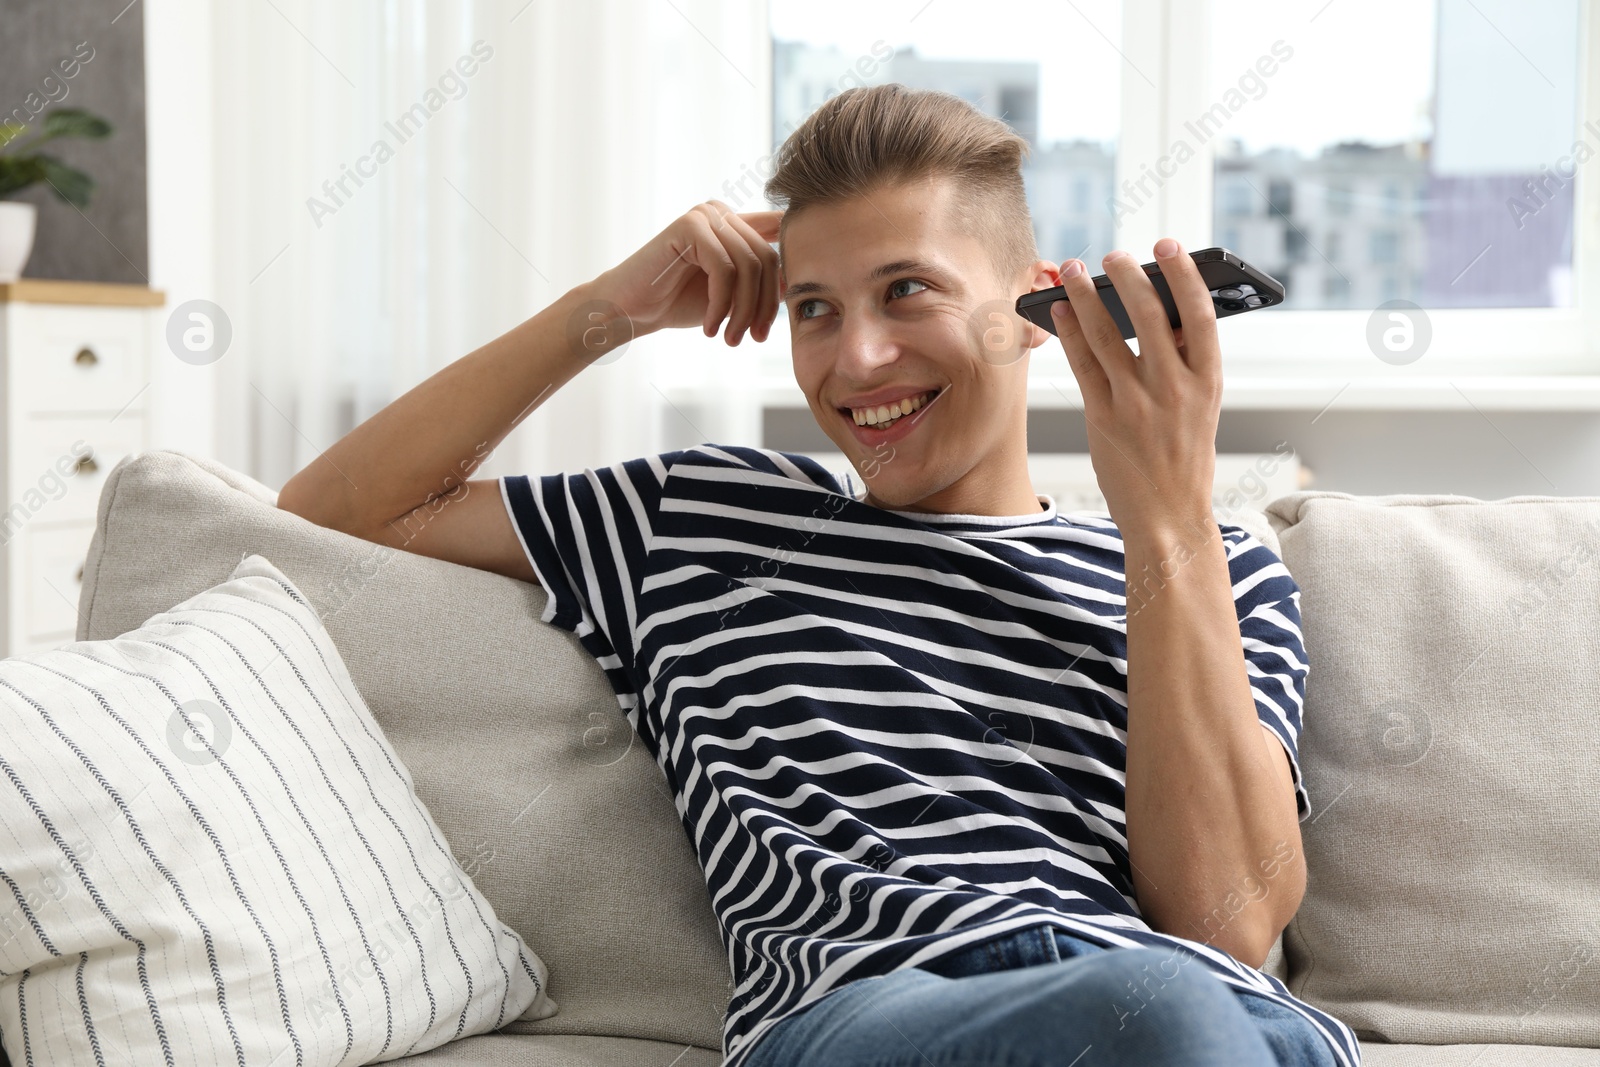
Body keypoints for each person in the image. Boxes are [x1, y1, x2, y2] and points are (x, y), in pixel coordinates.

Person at [278, 83, 1361, 1067]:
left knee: (1183, 1009)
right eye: (813, 308)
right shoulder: (703, 516)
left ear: (1034, 314)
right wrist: (608, 309)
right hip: (867, 1008)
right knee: (1162, 1013)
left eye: (905, 292)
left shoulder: (1216, 571)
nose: (856, 361)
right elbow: (340, 508)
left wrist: (1165, 517)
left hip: (1189, 1008)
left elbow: (1228, 922)